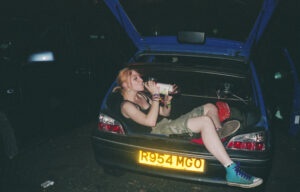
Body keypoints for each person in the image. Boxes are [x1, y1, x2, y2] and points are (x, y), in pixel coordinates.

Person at [114, 67, 263, 188]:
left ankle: (217, 135)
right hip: (157, 132)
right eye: (136, 78)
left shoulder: (143, 96)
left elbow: (164, 113)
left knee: (210, 107)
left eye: (140, 77)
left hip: (167, 124)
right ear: (126, 85)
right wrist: (155, 95)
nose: (141, 79)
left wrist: (167, 101)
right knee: (205, 121)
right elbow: (151, 122)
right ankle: (231, 170)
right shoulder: (126, 106)